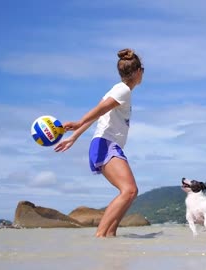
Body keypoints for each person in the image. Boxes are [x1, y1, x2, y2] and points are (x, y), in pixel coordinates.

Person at [55, 48, 144, 237]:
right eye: (142, 70)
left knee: (130, 192)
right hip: (106, 144)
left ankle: (108, 241)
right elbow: (101, 108)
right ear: (137, 72)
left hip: (105, 144)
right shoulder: (123, 90)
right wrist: (78, 122)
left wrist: (74, 136)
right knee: (129, 190)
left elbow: (99, 114)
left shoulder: (117, 90)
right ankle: (100, 236)